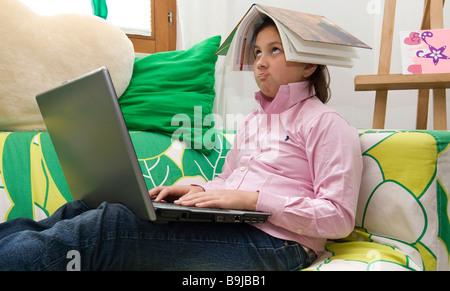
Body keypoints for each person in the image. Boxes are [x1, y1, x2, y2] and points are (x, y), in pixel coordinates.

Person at [0, 17, 362, 271]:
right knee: (86, 207)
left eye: (275, 51)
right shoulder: (253, 121)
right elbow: (228, 182)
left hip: (281, 245)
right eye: (256, 53)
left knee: (111, 226)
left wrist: (254, 200)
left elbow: (339, 218)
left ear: (310, 64)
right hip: (233, 225)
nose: (261, 63)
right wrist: (194, 190)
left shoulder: (328, 125)